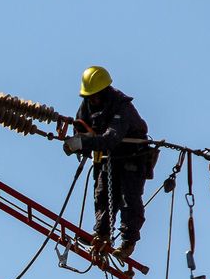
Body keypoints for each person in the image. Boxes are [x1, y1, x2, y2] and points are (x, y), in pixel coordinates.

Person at [63, 66, 155, 263]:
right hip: (107, 159)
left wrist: (83, 143)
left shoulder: (122, 108)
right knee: (102, 193)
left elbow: (111, 138)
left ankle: (128, 242)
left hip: (131, 158)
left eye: (95, 96)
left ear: (105, 92)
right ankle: (102, 234)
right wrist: (78, 145)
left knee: (128, 198)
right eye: (89, 96)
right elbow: (81, 129)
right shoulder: (87, 105)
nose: (92, 100)